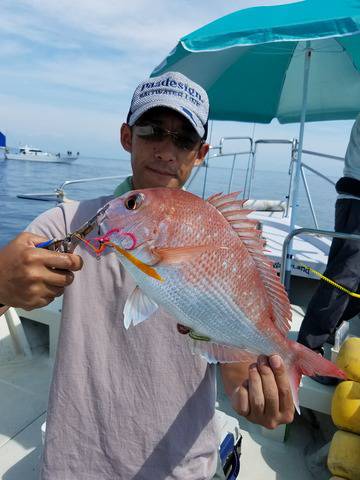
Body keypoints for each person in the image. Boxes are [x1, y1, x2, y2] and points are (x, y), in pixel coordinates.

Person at [0, 72, 294, 480]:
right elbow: (13, 282)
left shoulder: (215, 234)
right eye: (152, 130)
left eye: (184, 140)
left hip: (182, 468)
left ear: (200, 152)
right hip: (75, 465)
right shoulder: (66, 223)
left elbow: (234, 362)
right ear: (127, 136)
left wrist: (252, 389)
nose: (166, 151)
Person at [298, 114, 360, 380]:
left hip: (353, 202)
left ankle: (327, 333)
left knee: (352, 281)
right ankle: (307, 351)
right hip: (357, 203)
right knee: (344, 278)